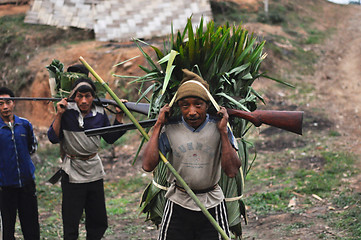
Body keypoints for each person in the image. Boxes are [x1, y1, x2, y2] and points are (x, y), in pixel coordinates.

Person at [142, 69, 242, 240]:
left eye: (198, 104)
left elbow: (232, 171)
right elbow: (148, 165)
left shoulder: (220, 128)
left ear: (207, 105)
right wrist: (158, 125)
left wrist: (224, 133)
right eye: (185, 105)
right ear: (178, 106)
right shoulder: (170, 129)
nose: (192, 111)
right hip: (178, 202)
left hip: (212, 203)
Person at [47, 77, 126, 240]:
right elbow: (53, 138)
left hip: (93, 170)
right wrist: (59, 114)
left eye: (88, 96)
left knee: (97, 219)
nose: (84, 101)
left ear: (93, 97)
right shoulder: (66, 113)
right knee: (71, 219)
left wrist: (119, 117)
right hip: (72, 171)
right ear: (73, 97)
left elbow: (110, 138)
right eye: (79, 96)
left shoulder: (100, 113)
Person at [0, 87, 40, 240]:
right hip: (5, 187)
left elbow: (32, 147)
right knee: (7, 230)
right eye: (1, 103)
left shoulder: (24, 125)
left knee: (31, 227)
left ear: (13, 103)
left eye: (8, 102)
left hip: (27, 185)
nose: (5, 106)